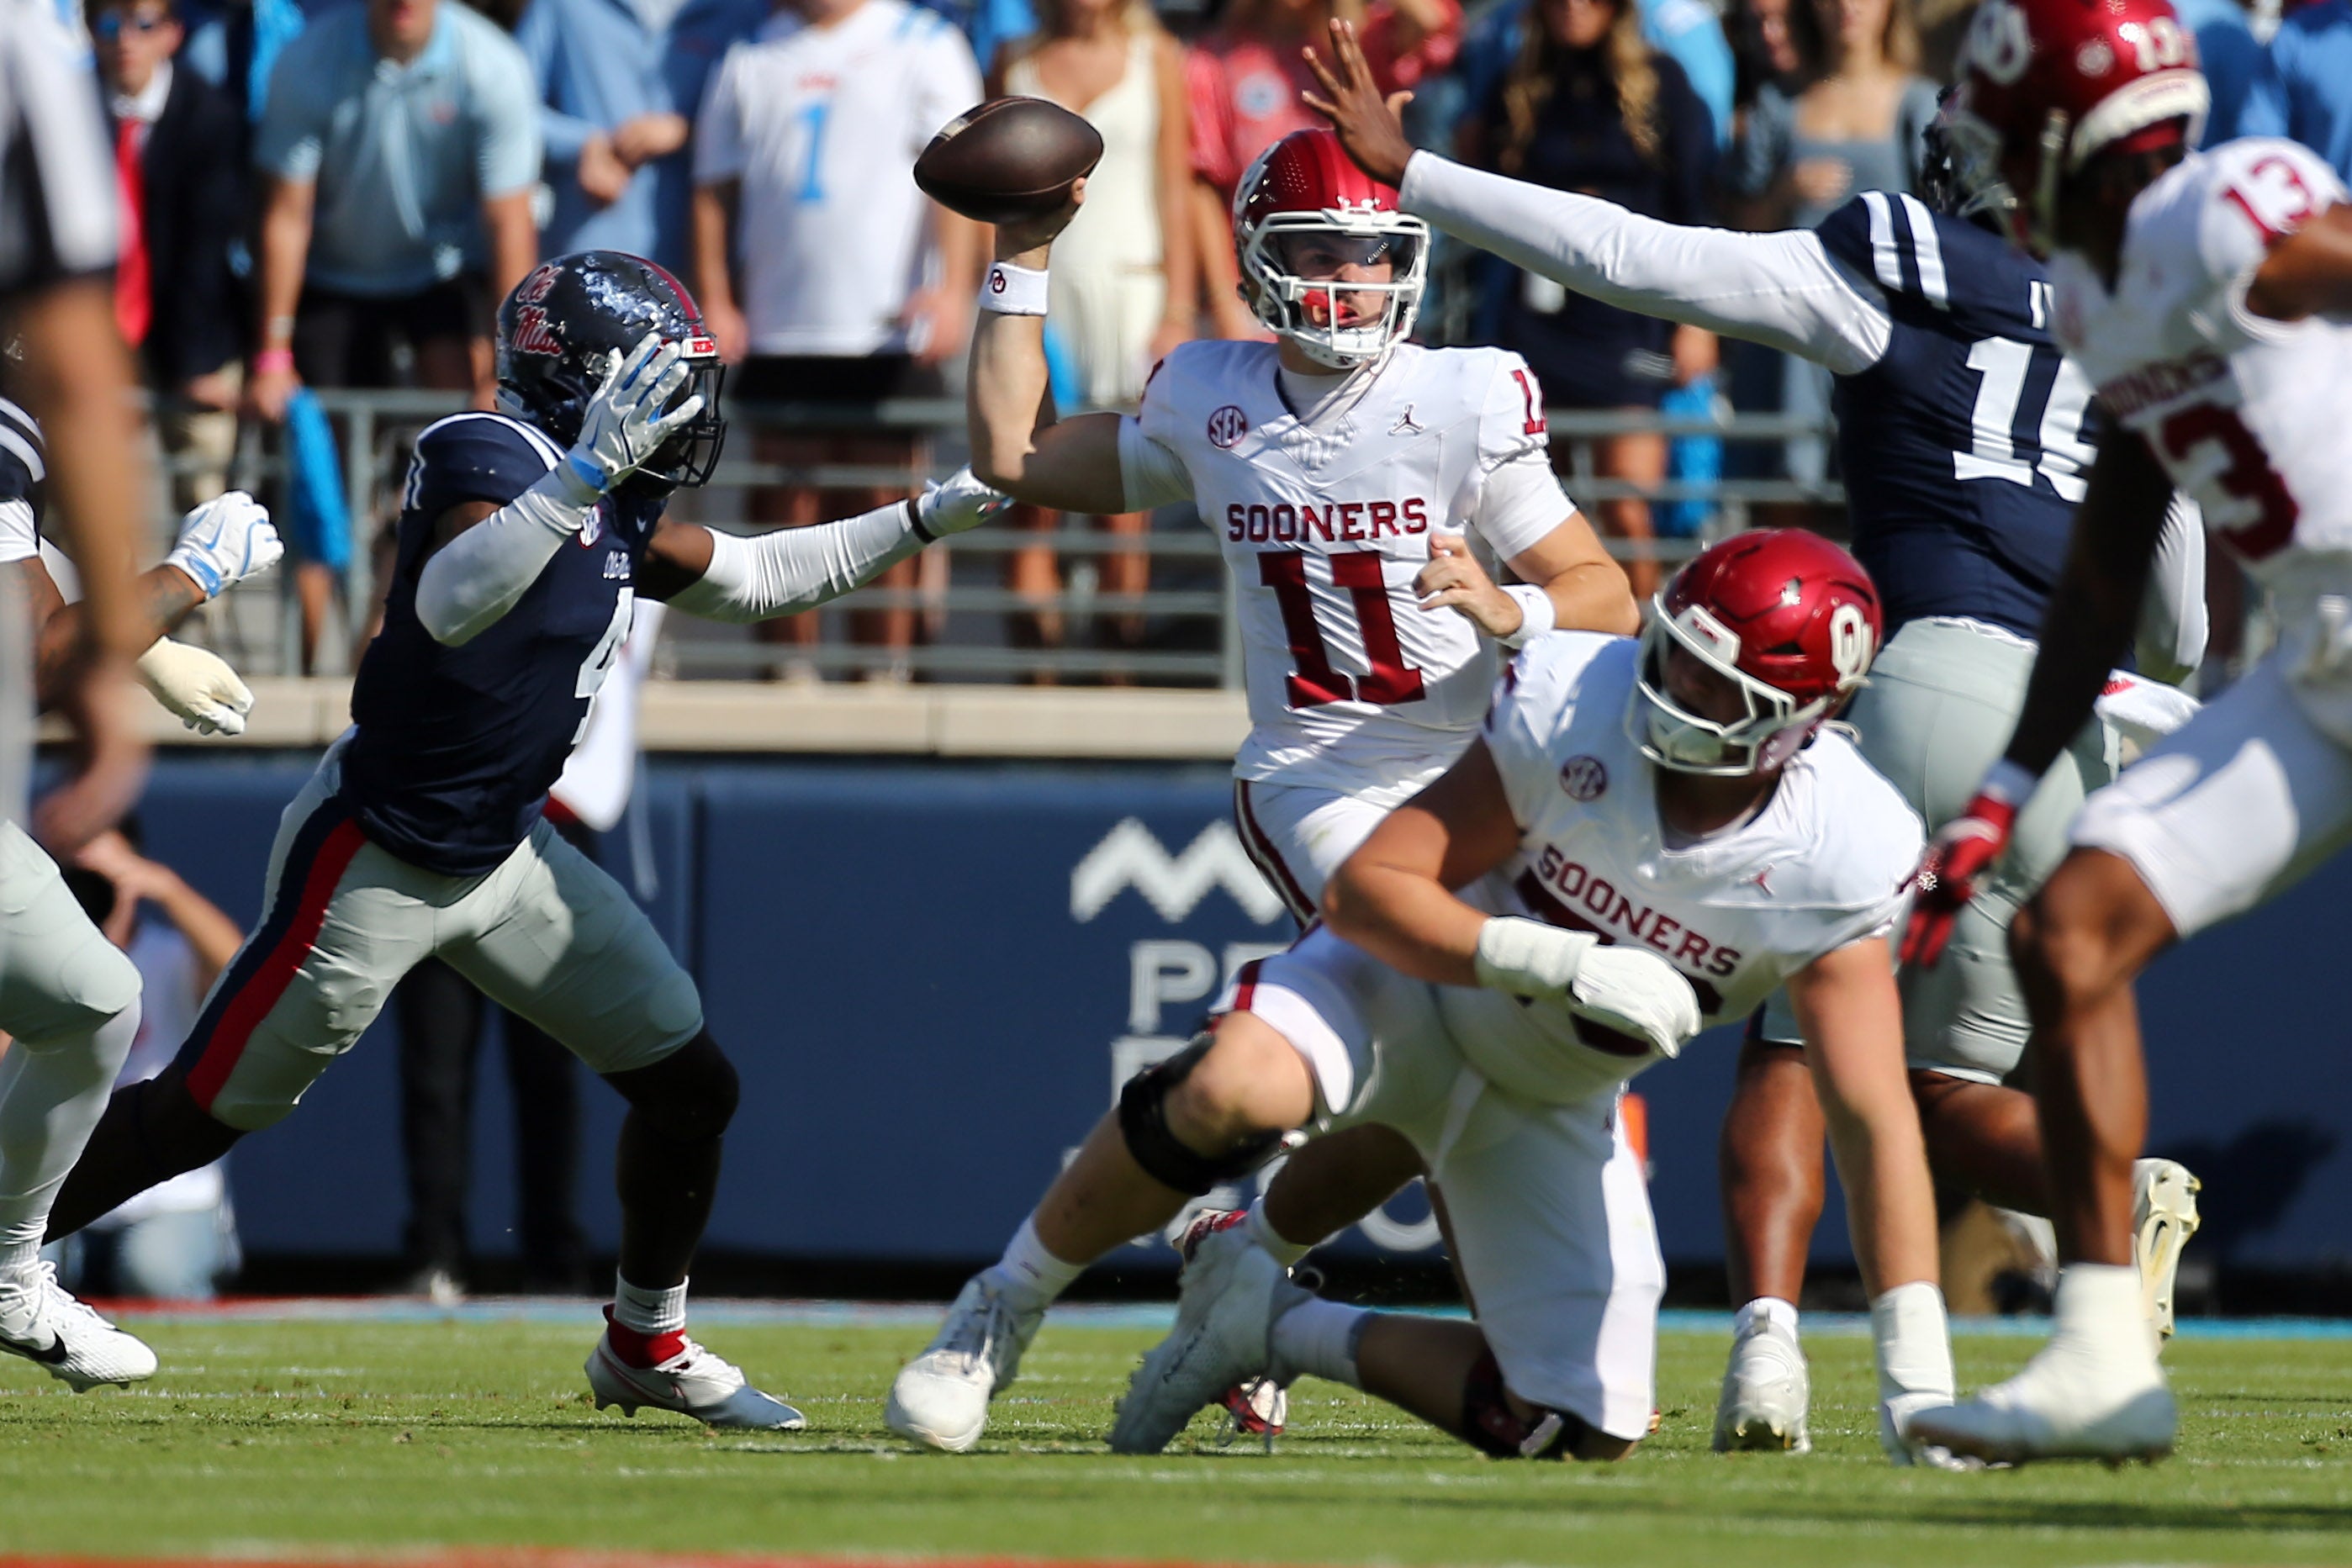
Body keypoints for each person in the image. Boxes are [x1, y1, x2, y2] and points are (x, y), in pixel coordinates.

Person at [1296, 19, 2210, 1453]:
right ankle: (2095, 1212)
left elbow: (1628, 254)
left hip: (1937, 683)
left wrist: (1417, 173)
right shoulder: (2133, 324)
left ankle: (1767, 1361)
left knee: (1795, 1046)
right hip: (2085, 739)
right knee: (1940, 1086)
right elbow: (2181, 610)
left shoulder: (1899, 271)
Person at [43, 251, 1007, 1426]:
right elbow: (456, 597)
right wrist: (588, 472)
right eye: (658, 374)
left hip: (507, 857)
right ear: (578, 379)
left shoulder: (611, 490)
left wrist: (927, 512)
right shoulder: (486, 454)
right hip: (377, 854)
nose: (686, 403)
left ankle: (645, 1340)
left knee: (691, 1084)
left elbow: (755, 575)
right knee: (200, 1111)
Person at [881, 126, 1652, 1453]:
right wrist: (1021, 255)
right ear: (1258, 266)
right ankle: (1007, 1306)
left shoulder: (1467, 394)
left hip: (1488, 775)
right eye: (1316, 257)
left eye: (1369, 257)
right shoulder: (1206, 395)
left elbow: (1604, 595)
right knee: (1459, 1014)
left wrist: (1506, 603)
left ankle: (1251, 1255)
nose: (1347, 284)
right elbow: (1014, 452)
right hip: (1323, 778)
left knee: (1443, 1072)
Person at [906, 529, 1968, 1466]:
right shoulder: (1577, 699)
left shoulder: (1845, 845)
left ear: (1802, 720)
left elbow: (1873, 1121)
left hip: (1550, 1095)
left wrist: (1918, 1384)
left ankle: (1269, 1325)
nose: (1671, 691)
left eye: (1713, 686)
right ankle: (1000, 1304)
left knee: (1568, 1424)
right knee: (1235, 1086)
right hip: (1411, 983)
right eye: (1675, 655)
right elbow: (1371, 888)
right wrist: (1556, 960)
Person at [1897, 0, 2352, 1465]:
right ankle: (2100, 1356)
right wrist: (2012, 777)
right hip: (2319, 664)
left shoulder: (2226, 205)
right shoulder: (2096, 295)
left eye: (2003, 120)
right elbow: (2106, 556)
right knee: (2070, 927)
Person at [690, 0, 985, 682]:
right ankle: (789, 673)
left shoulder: (924, 42)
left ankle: (881, 672)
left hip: (884, 331)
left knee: (881, 509)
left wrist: (949, 290)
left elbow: (960, 179)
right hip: (779, 324)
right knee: (787, 510)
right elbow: (713, 185)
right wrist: (718, 295)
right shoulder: (752, 54)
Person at [247, 0, 543, 667]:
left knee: (452, 458)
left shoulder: (491, 65)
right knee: (315, 482)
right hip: (329, 284)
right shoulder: (309, 60)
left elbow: (508, 223)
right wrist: (272, 351)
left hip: (434, 284)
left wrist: (508, 366)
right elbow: (286, 214)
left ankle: (375, 663)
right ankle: (310, 663)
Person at [1463, 0, 1718, 601]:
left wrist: (1697, 324)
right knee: (1527, 517)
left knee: (1626, 509)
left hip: (1627, 323)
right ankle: (1533, 659)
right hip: (1539, 319)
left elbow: (1695, 206)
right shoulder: (1518, 83)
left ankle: (1636, 652)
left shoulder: (1660, 82)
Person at [991, 0, 1195, 668]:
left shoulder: (1157, 57)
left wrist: (1177, 308)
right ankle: (1036, 674)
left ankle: (1116, 666)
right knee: (1027, 479)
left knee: (1124, 493)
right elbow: (986, 195)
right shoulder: (1013, 59)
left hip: (1133, 292)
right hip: (1039, 290)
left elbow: (1175, 186)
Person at [1724, 0, 1938, 503]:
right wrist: (1783, 193)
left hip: (1881, 338)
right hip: (1787, 344)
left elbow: (1946, 227)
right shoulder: (1778, 104)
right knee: (1783, 505)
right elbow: (1737, 230)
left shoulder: (1919, 104)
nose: (1848, 8)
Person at [1185, 0, 1463, 341]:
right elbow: (1205, 185)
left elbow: (1429, 22)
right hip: (1271, 286)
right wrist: (1226, 302)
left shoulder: (1359, 43)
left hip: (1367, 279)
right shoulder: (1216, 60)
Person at [55, 825, 246, 1301]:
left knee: (154, 1274)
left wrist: (167, 888)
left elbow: (240, 970)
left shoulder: (170, 954)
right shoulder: (43, 965)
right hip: (56, 1186)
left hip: (166, 1191)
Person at [90, 0, 251, 516]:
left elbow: (204, 252)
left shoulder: (211, 118)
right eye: (110, 24)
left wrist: (191, 365)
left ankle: (207, 600)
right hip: (96, 340)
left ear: (173, 34)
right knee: (90, 510)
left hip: (196, 341)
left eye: (143, 24)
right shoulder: (71, 113)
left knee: (203, 504)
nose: (125, 40)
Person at [514, 0, 766, 276]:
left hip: (706, 270)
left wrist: (690, 132)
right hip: (588, 261)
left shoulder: (744, 10)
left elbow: (775, 121)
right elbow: (511, 112)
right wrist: (582, 145)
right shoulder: (560, 6)